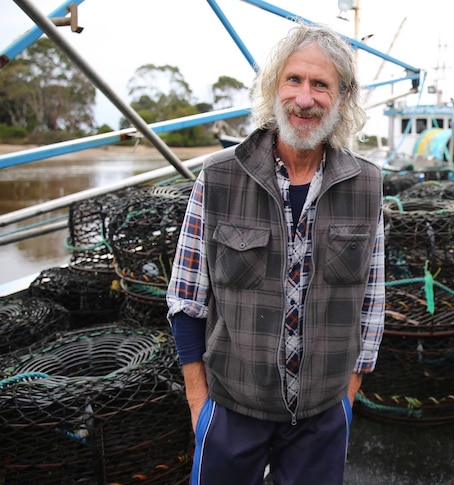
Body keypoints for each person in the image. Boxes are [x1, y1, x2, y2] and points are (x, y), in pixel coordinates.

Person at [166, 22, 385, 484]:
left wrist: (348, 395)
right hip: (230, 410)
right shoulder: (220, 176)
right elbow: (187, 295)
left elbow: (371, 303)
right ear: (274, 88)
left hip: (324, 415)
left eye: (321, 84)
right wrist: (198, 405)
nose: (305, 99)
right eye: (294, 80)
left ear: (342, 98)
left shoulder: (367, 186)